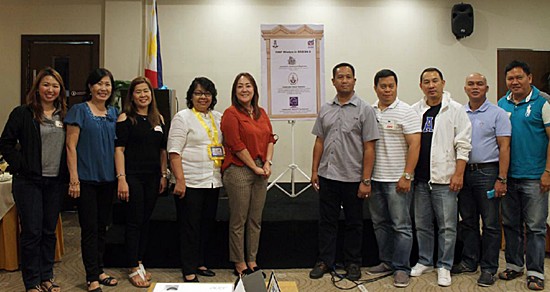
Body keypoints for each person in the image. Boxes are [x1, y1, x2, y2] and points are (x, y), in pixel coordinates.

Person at [309, 63, 379, 281]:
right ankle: (325, 261)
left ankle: (352, 263)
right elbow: (319, 141)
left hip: (353, 177)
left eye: (348, 77)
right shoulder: (326, 108)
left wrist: (366, 180)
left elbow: (369, 147)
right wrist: (314, 171)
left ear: (354, 81)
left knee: (354, 223)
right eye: (340, 77)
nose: (344, 80)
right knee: (327, 221)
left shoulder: (364, 109)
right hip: (328, 175)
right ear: (333, 81)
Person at [0, 67, 67, 292]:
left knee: (49, 231)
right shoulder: (22, 113)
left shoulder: (65, 115)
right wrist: (22, 165)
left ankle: (47, 276)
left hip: (55, 182)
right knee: (32, 232)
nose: (50, 89)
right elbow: (5, 143)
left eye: (55, 85)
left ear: (60, 90)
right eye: (46, 84)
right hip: (28, 182)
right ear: (37, 87)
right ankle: (32, 282)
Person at [410, 67, 472, 287]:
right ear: (421, 86)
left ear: (443, 83)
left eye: (435, 81)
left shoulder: (455, 110)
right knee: (422, 224)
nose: (431, 85)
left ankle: (444, 265)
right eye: (426, 82)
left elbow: (463, 145)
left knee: (447, 226)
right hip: (420, 180)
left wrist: (458, 173)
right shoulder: (415, 110)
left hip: (445, 180)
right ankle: (425, 260)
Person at [451, 73, 511, 287]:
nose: (475, 87)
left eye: (479, 84)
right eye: (470, 84)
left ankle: (488, 268)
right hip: (463, 172)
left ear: (486, 88)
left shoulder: (498, 113)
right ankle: (469, 261)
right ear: (465, 88)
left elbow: (504, 147)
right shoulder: (458, 112)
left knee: (491, 224)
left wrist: (501, 178)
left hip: (488, 173)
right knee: (467, 221)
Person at [365, 69, 420, 288]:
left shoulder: (406, 111)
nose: (387, 90)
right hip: (375, 179)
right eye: (383, 86)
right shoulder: (369, 111)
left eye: (391, 86)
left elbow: (415, 145)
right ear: (375, 88)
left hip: (398, 180)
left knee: (401, 226)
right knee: (380, 224)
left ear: (396, 87)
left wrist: (407, 175)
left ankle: (401, 268)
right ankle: (386, 261)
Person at [497, 60, 550, 291]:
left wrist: (548, 172)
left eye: (519, 77)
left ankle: (536, 272)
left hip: (535, 177)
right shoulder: (502, 103)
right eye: (510, 78)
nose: (514, 82)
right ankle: (514, 265)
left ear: (530, 77)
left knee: (536, 227)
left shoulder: (543, 102)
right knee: (510, 224)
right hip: (509, 176)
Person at [65, 68, 118, 292]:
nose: (103, 88)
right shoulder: (79, 111)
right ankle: (91, 277)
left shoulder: (114, 113)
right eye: (99, 84)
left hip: (108, 180)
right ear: (90, 87)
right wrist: (74, 179)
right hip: (85, 179)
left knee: (102, 228)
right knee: (88, 228)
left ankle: (100, 270)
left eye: (107, 84)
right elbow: (70, 146)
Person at [114, 77, 168, 288]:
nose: (143, 95)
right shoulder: (125, 118)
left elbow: (162, 150)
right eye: (138, 92)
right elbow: (119, 150)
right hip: (132, 177)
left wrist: (163, 175)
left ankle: (139, 261)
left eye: (146, 91)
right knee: (134, 221)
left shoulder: (158, 118)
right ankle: (132, 266)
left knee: (145, 220)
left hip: (153, 177)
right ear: (132, 96)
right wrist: (122, 179)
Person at [221, 72, 276, 276]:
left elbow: (270, 138)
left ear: (254, 90)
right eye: (240, 86)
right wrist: (254, 167)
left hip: (261, 168)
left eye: (248, 86)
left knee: (255, 219)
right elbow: (235, 144)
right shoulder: (231, 114)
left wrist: (268, 163)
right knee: (239, 219)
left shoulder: (261, 112)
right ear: (235, 92)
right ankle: (239, 262)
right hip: (239, 170)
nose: (244, 90)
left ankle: (252, 259)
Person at [168, 77, 222, 282]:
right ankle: (188, 269)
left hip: (213, 180)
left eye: (207, 93)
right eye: (198, 93)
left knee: (206, 224)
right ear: (191, 96)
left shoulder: (218, 117)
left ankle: (200, 262)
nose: (203, 97)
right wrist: (179, 180)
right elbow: (174, 152)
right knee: (189, 227)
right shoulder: (182, 118)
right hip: (189, 181)